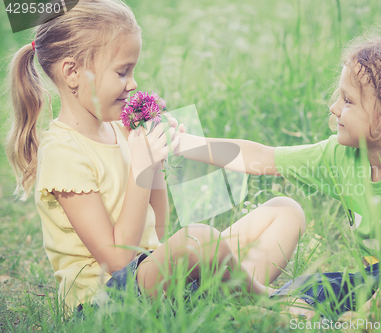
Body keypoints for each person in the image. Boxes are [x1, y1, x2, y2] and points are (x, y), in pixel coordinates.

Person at [174, 34, 381, 323]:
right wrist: (185, 144)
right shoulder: (339, 157)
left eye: (347, 101)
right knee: (324, 284)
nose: (333, 107)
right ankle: (289, 311)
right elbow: (262, 157)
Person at [5, 0, 306, 312]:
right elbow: (119, 260)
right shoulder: (63, 153)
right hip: (105, 304)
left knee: (284, 211)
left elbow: (157, 233)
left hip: (151, 276)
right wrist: (141, 166)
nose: (133, 84)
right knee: (199, 238)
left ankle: (235, 298)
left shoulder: (119, 130)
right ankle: (268, 302)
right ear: (73, 73)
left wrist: (157, 162)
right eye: (122, 72)